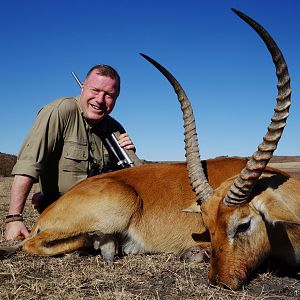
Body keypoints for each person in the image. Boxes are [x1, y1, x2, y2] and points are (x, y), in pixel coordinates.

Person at [5, 64, 137, 241]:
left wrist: (131, 153)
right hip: (65, 211)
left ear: (116, 98)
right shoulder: (60, 110)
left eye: (109, 95)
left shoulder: (115, 128)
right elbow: (28, 165)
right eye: (95, 90)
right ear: (83, 87)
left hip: (102, 210)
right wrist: (14, 219)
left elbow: (133, 177)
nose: (100, 99)